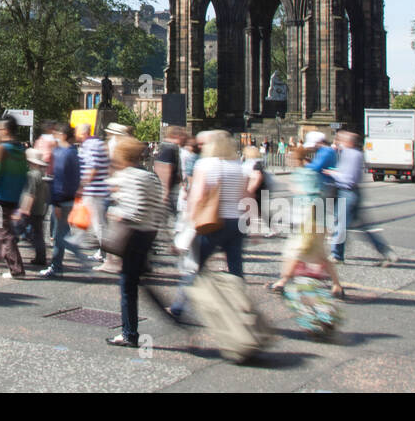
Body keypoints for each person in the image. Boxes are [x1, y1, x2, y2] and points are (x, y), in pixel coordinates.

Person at [169, 131, 258, 320]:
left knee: (196, 265)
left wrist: (189, 222)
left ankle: (178, 306)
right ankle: (242, 307)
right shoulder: (238, 166)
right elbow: (247, 195)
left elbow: (198, 196)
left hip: (213, 221)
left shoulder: (206, 164)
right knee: (236, 267)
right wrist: (253, 220)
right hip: (237, 222)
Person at [105, 135, 165, 348]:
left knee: (128, 286)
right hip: (148, 234)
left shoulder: (127, 176)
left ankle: (129, 333)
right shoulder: (150, 176)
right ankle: (173, 318)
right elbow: (160, 208)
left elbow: (131, 210)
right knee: (139, 283)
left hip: (133, 236)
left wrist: (114, 212)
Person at [269, 146, 344, 297]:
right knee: (318, 255)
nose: (289, 161)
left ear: (298, 160)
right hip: (311, 220)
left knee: (294, 251)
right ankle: (337, 286)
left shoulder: (307, 174)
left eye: (291, 158)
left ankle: (282, 282)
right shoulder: (302, 173)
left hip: (311, 221)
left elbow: (313, 197)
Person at [326, 130, 394, 266]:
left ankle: (336, 255)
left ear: (349, 142)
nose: (339, 142)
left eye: (342, 140)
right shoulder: (352, 153)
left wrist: (333, 173)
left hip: (347, 192)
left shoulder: (351, 155)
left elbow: (348, 178)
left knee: (340, 225)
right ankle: (386, 252)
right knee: (363, 228)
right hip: (351, 193)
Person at [42, 122, 90, 277]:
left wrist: (56, 202)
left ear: (62, 135)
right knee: (62, 233)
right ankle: (66, 262)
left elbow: (59, 180)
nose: (54, 137)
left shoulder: (61, 153)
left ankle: (57, 267)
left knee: (59, 236)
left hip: (61, 200)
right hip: (70, 198)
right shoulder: (73, 152)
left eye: (56, 134)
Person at [0, 115, 29, 279]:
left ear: (5, 130)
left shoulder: (1, 149)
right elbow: (24, 175)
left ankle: (16, 269)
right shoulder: (21, 149)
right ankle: (0, 256)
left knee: (1, 231)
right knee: (4, 230)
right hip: (14, 197)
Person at [76, 122, 110, 261]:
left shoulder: (90, 145)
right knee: (89, 219)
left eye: (77, 132)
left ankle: (106, 254)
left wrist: (83, 185)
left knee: (98, 223)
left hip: (94, 190)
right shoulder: (97, 143)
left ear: (83, 133)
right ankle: (73, 242)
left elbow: (93, 167)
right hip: (97, 189)